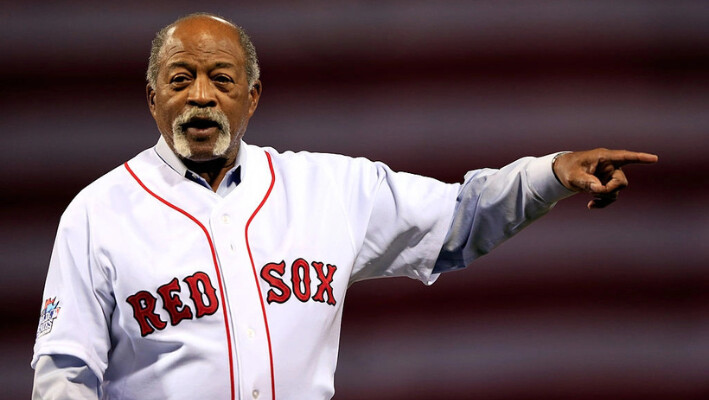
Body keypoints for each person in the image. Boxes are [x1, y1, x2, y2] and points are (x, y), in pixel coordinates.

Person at [31, 12, 658, 400]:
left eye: (221, 79)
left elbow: (462, 217)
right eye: (180, 79)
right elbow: (65, 374)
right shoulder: (97, 214)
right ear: (151, 97)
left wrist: (549, 175)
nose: (201, 96)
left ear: (252, 98)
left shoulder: (326, 189)